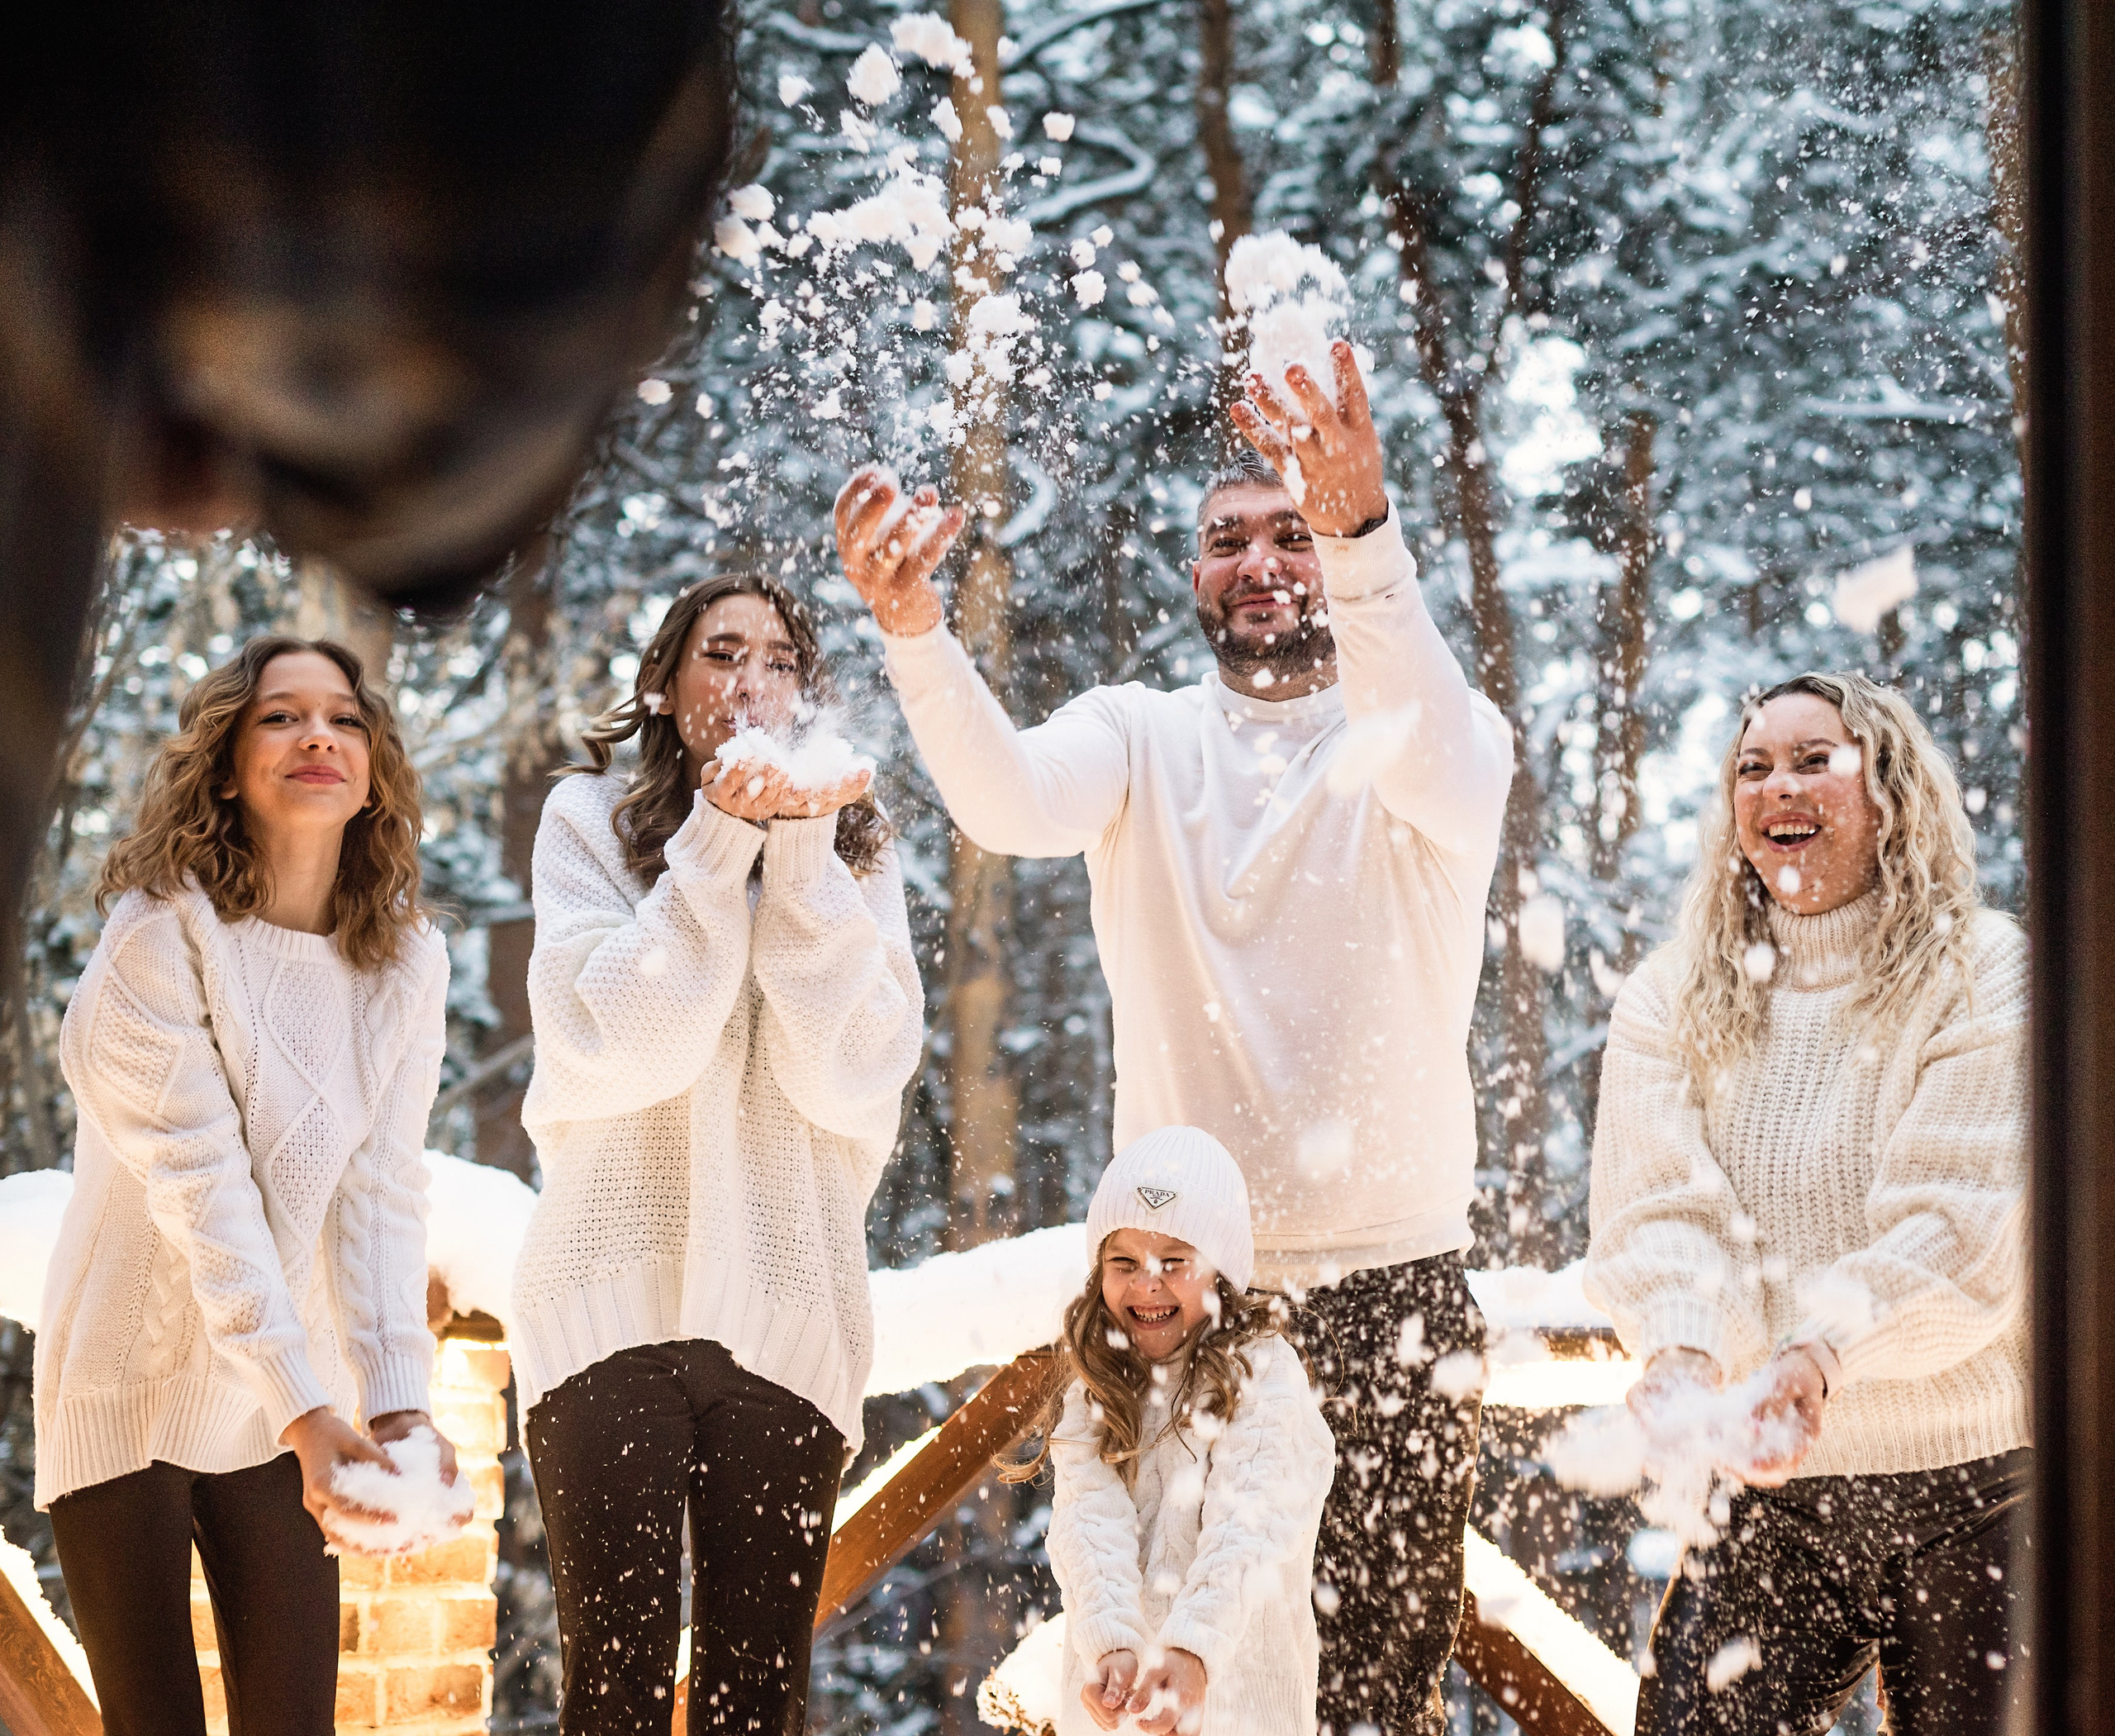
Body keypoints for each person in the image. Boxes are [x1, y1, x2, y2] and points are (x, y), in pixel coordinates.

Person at [837, 343, 1513, 1735]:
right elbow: (1009, 800)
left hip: (1392, 1292)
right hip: (1185, 1301)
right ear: (1194, 574)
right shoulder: (1139, 737)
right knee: (1177, 1690)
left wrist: (1363, 532)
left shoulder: (1437, 738)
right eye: (1227, 540)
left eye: (1291, 533)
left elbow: (1429, 741)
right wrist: (913, 631)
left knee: (1374, 1696)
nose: (1260, 561)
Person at [510, 571, 924, 1734]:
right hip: (605, 1308)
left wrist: (799, 856)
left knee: (758, 1702)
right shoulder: (588, 822)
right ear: (664, 683)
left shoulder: (855, 857)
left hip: (791, 1317)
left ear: (807, 693)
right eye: (722, 652)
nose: (752, 680)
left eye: (781, 660)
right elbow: (626, 1044)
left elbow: (847, 1074)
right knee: (616, 1694)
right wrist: (718, 840)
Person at [1585, 672, 2029, 1734]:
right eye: (1753, 767)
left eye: (1813, 760)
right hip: (1770, 1490)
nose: (1776, 786)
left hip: (1979, 1479)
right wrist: (1685, 1348)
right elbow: (1659, 1209)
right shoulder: (1671, 996)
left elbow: (1958, 1226)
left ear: (1889, 791)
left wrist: (1819, 1353)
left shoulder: (1982, 969)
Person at [35, 636, 456, 1736]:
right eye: (280, 716)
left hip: (282, 1406)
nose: (319, 734)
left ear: (374, 773)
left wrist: (399, 1401)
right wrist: (307, 1406)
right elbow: (202, 1191)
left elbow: (382, 1191)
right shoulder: (157, 937)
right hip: (127, 1384)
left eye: (345, 718)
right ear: (224, 766)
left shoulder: (405, 963)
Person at [1009, 1125, 1337, 1736]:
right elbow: (1088, 1524)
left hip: (1240, 1703)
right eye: (1123, 1262)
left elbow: (1250, 1524)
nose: (1146, 1283)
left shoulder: (1264, 1372)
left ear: (1221, 1270)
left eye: (1175, 1262)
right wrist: (1111, 1643)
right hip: (1120, 1706)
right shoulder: (1097, 1380)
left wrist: (1193, 1648)